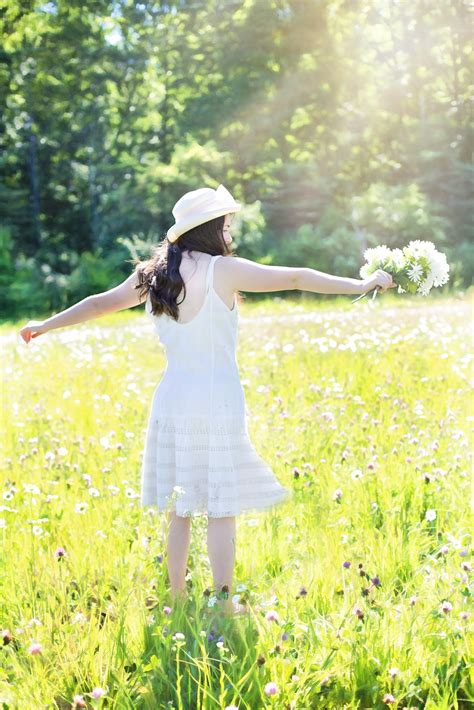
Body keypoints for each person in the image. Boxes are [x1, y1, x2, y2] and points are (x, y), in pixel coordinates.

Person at [19, 183, 395, 617]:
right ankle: (222, 600)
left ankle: (177, 599)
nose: (230, 232)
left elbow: (100, 303)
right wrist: (362, 283)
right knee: (221, 505)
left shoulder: (154, 274)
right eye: (227, 224)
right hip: (217, 401)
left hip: (174, 399)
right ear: (212, 229)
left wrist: (44, 325)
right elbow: (296, 277)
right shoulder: (223, 271)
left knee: (180, 508)